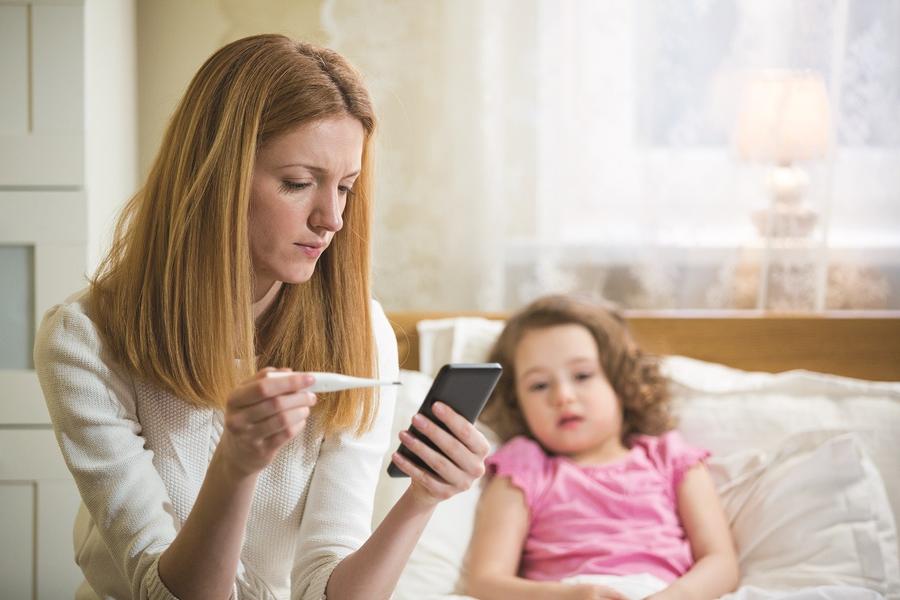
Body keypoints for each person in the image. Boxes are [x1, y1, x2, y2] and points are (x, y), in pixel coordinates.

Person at [33, 34, 489, 600]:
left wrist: (422, 499)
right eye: (298, 183)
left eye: (345, 188)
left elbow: (328, 584)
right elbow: (162, 592)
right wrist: (236, 464)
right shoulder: (84, 340)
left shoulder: (359, 331)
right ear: (214, 176)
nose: (333, 220)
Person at [464, 295, 739, 600]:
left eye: (582, 375)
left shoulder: (671, 458)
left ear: (621, 381)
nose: (563, 396)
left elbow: (721, 562)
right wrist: (567, 597)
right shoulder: (523, 467)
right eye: (539, 385)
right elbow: (486, 581)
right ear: (517, 403)